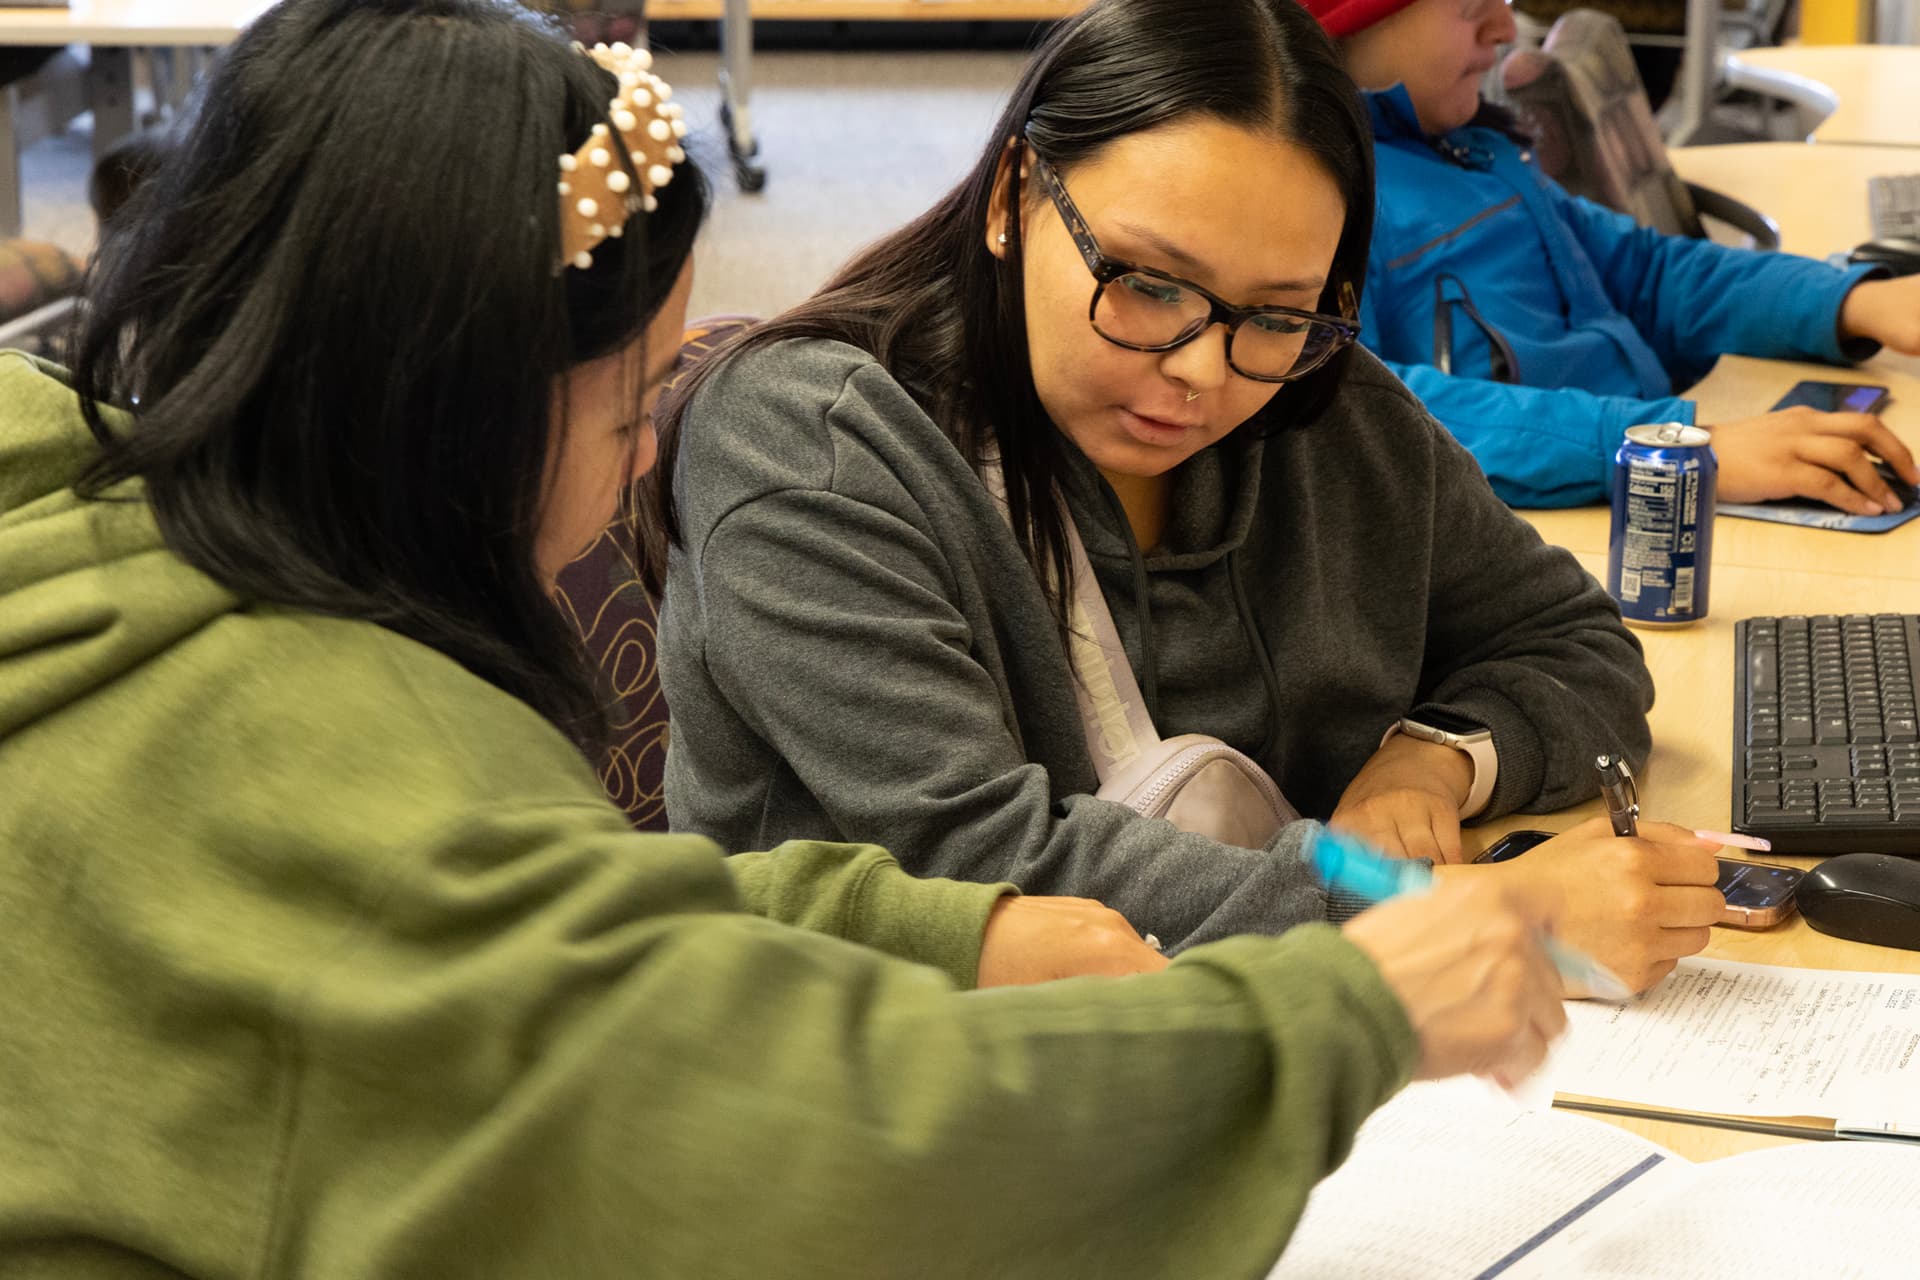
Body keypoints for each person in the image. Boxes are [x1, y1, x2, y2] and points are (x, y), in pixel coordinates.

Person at [0, 0, 1604, 1274]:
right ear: (460, 407)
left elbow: (579, 912)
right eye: (632, 402)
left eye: (1275, 316)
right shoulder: (358, 751)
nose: (648, 458)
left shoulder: (120, 524)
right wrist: (1354, 1011)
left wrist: (935, 933)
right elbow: (813, 1157)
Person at [654, 0, 1723, 988]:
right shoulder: (812, 444)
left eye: (1277, 310)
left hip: (1259, 1035)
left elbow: (1573, 642)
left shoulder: (1316, 393)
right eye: (1149, 284)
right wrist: (1477, 908)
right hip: (910, 1080)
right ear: (1013, 196)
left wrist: (1436, 756)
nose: (1205, 372)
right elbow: (988, 874)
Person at [1303, 0, 1920, 510]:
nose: (1506, 28)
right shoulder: (1324, 202)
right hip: (1567, 523)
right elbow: (1366, 409)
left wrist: (1850, 301)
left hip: (1644, 471)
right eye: (1471, 9)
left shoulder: (1477, 153)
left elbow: (1649, 274)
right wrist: (1667, 450)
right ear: (1347, 28)